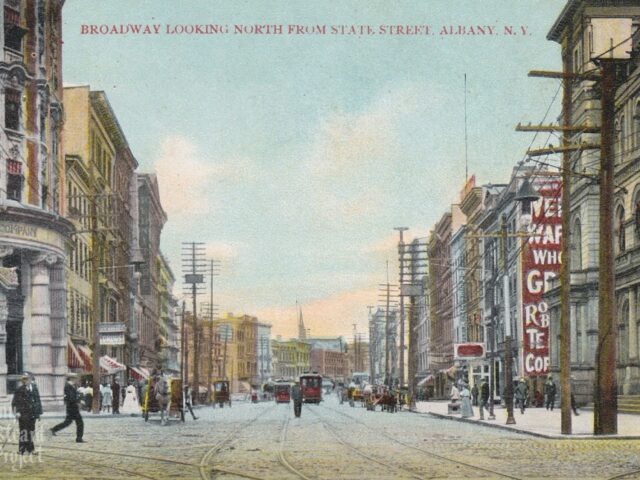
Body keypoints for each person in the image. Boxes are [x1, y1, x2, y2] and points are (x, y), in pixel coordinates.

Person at [11, 373, 42, 454]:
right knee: (24, 431)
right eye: (23, 379)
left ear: (31, 379)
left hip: (32, 414)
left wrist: (38, 413)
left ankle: (30, 449)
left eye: (27, 379)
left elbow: (38, 401)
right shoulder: (19, 389)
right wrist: (16, 412)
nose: (25, 381)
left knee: (31, 431)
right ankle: (21, 449)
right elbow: (15, 403)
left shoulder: (34, 388)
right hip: (23, 414)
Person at [51, 373, 84, 443]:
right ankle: (79, 438)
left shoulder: (71, 386)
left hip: (71, 407)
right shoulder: (68, 386)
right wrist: (78, 398)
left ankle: (53, 429)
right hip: (72, 407)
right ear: (71, 378)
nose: (76, 380)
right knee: (80, 422)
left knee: (67, 422)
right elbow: (71, 397)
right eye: (75, 378)